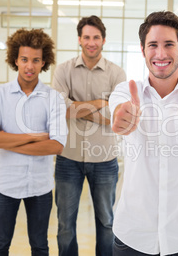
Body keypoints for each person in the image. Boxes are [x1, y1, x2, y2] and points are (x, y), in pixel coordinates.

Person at [109, 11, 178, 256]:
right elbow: (118, 111)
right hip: (133, 237)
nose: (160, 54)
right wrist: (122, 117)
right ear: (142, 50)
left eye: (168, 44)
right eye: (153, 45)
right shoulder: (126, 91)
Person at [0, 28, 67, 255]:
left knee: (39, 245)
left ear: (43, 62)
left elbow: (56, 145)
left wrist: (8, 140)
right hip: (6, 184)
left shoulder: (53, 98)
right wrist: (33, 136)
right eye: (25, 59)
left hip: (40, 186)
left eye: (36, 60)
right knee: (0, 244)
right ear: (15, 60)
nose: (30, 66)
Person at [52, 15, 126, 256]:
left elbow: (116, 118)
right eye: (86, 37)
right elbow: (58, 109)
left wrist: (76, 107)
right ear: (79, 40)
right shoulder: (63, 70)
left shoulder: (117, 74)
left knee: (106, 223)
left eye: (96, 37)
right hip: (68, 158)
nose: (91, 42)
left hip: (105, 159)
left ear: (103, 40)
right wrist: (100, 103)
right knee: (65, 226)